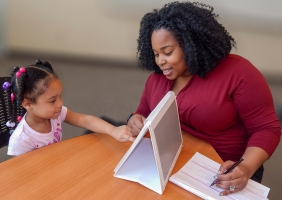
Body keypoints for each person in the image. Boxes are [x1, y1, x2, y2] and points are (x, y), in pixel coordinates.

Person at [127, 1, 281, 196]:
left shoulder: (239, 73)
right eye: (156, 53)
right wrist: (134, 120)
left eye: (167, 52)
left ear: (192, 44)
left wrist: (245, 168)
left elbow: (266, 129)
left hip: (224, 170)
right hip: (174, 163)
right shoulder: (157, 78)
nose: (160, 61)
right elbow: (142, 112)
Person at [2, 60, 134, 157]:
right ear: (27, 104)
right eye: (53, 100)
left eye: (60, 96)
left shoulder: (54, 113)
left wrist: (113, 130)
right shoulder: (21, 140)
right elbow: (23, 174)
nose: (60, 103)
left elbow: (85, 120)